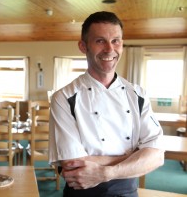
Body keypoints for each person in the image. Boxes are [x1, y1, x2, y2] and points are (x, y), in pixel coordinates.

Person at [49, 11, 164, 197]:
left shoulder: (138, 95)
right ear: (83, 46)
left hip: (127, 192)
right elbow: (72, 166)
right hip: (83, 192)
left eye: (116, 41)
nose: (110, 49)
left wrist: (106, 172)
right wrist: (134, 157)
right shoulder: (64, 97)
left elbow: (157, 156)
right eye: (100, 41)